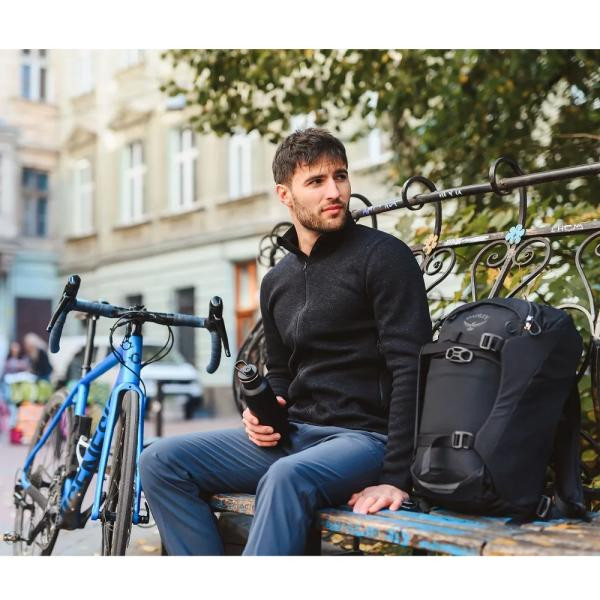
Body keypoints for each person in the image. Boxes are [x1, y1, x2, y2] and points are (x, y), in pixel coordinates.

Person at [140, 128, 432, 555]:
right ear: (285, 194)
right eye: (316, 181)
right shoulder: (278, 281)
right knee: (159, 461)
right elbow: (280, 372)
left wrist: (394, 478)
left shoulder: (383, 256)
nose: (334, 191)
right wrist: (262, 413)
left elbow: (412, 367)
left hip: (362, 440)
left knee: (285, 478)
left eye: (340, 176)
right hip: (294, 438)